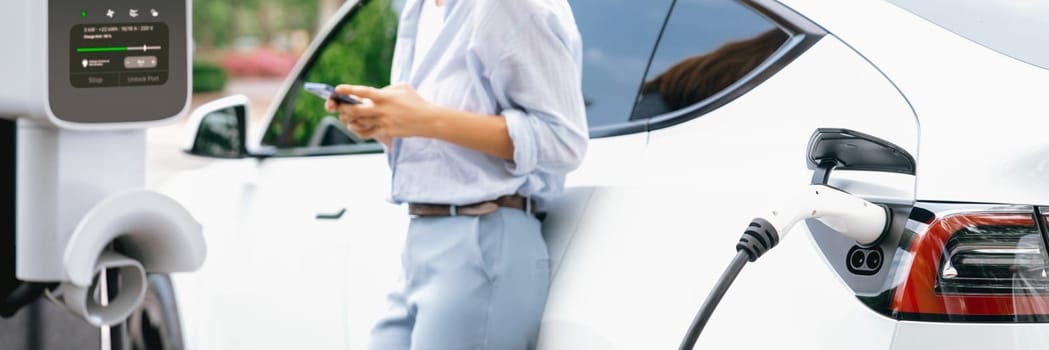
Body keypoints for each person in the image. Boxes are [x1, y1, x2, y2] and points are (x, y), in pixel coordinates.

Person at [325, 0, 587, 349]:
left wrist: (425, 119)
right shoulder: (418, 8)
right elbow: (445, 141)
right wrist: (385, 124)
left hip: (483, 240)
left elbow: (564, 140)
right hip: (421, 237)